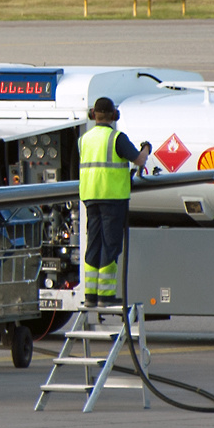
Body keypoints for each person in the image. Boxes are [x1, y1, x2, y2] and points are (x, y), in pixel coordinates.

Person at [78, 97, 152, 307]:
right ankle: (105, 296)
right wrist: (146, 148)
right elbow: (138, 160)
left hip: (90, 197)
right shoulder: (116, 138)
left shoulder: (84, 139)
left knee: (93, 244)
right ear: (114, 116)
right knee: (110, 245)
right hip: (112, 198)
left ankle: (90, 296)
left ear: (93, 115)